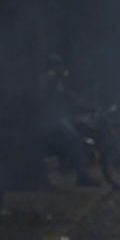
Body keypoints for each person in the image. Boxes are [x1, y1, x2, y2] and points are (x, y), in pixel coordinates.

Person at [37, 54, 100, 186]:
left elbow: (64, 94)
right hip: (50, 119)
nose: (60, 68)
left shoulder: (55, 79)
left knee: (78, 131)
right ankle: (83, 177)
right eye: (57, 66)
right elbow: (49, 92)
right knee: (74, 140)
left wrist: (78, 99)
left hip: (57, 116)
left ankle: (68, 165)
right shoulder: (48, 77)